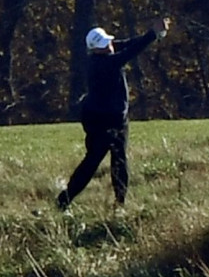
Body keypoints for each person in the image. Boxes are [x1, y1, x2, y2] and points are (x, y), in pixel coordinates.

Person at [56, 18, 170, 211]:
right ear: (95, 50)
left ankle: (119, 203)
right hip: (101, 121)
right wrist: (152, 34)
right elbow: (130, 52)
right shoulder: (104, 64)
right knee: (92, 162)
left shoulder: (105, 51)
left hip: (117, 119)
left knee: (119, 159)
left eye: (108, 42)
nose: (109, 47)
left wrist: (155, 34)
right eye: (104, 45)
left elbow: (127, 43)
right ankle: (64, 200)